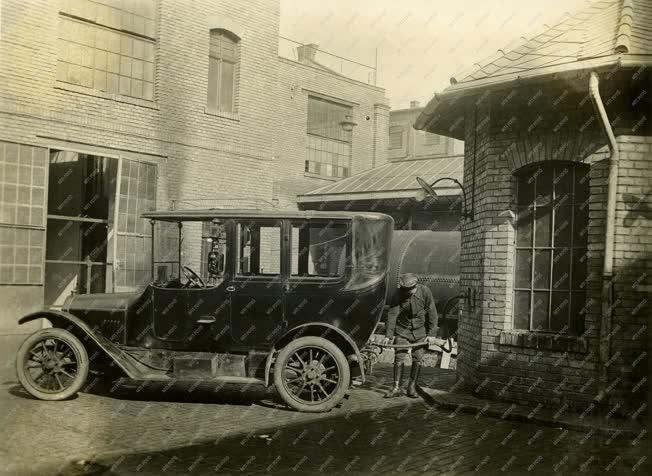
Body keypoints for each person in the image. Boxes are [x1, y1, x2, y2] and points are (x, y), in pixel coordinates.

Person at [383, 273, 438, 398]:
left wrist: (432, 334)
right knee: (399, 357)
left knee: (418, 358)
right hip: (402, 330)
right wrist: (388, 335)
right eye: (405, 290)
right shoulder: (398, 294)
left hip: (420, 331)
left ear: (416, 286)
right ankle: (396, 387)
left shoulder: (425, 292)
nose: (407, 293)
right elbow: (392, 314)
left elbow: (432, 313)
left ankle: (412, 387)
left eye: (410, 290)